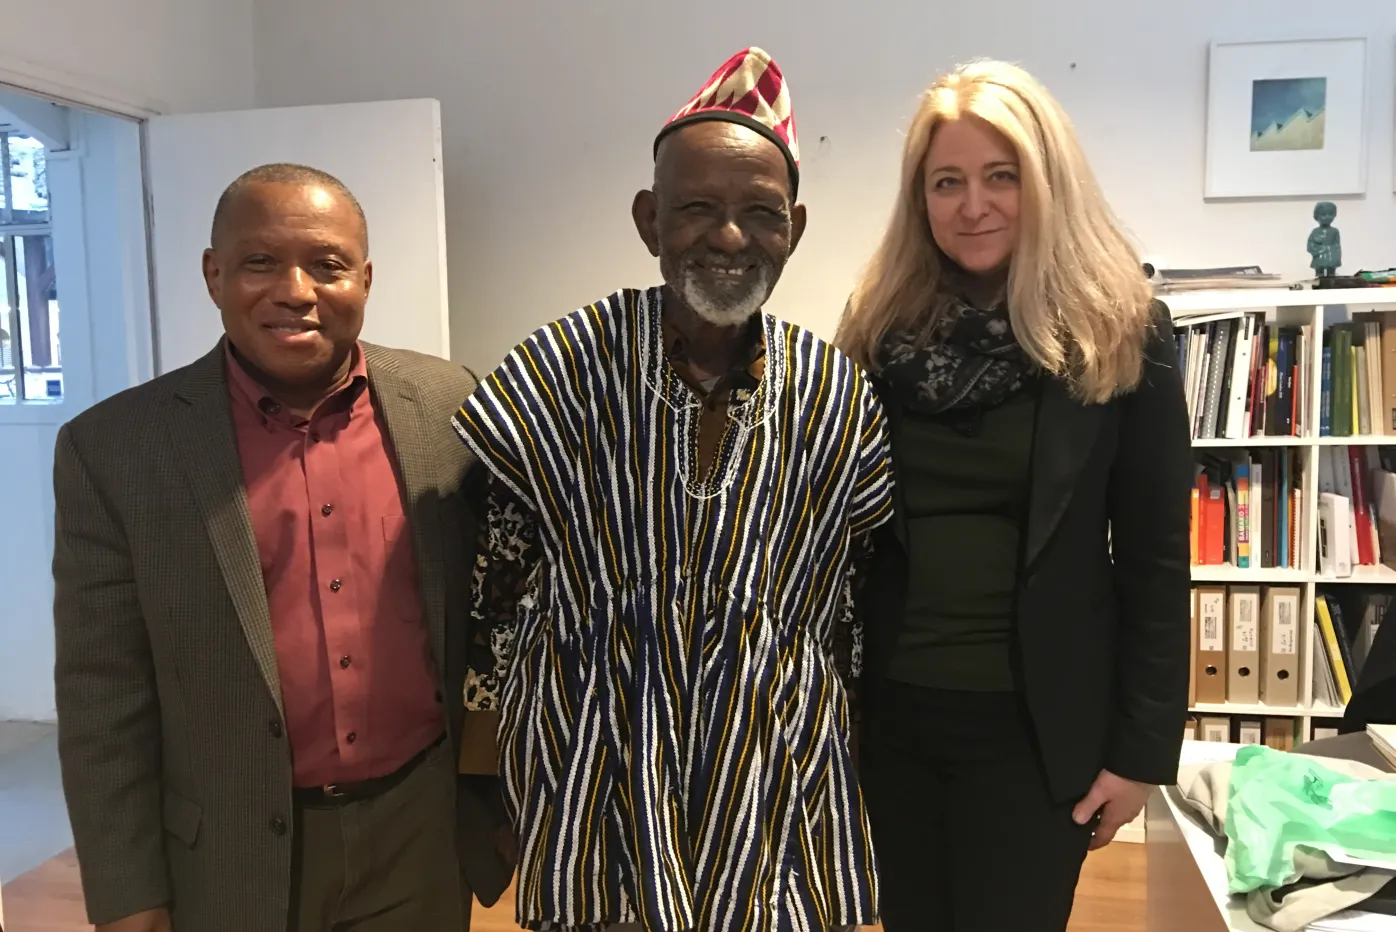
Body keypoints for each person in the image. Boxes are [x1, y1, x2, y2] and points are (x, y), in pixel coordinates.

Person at [452, 47, 894, 932]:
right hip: (595, 766)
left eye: (759, 214)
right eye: (697, 208)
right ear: (650, 220)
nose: (730, 238)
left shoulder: (837, 391)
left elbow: (853, 605)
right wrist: (482, 771)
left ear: (794, 229)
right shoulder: (558, 368)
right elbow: (493, 592)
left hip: (771, 773)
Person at [51, 163, 512, 932]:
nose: (295, 289)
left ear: (365, 278)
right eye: (260, 261)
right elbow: (103, 697)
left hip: (419, 832)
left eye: (327, 265)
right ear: (214, 272)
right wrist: (127, 892)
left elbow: (494, 621)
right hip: (227, 848)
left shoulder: (449, 407)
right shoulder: (117, 450)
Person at [835, 60, 1193, 931]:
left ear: (1047, 183)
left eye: (1003, 177)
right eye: (947, 182)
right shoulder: (877, 333)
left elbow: (1153, 561)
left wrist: (1139, 752)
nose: (974, 206)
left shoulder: (1122, 332)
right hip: (891, 725)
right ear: (919, 199)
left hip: (1038, 734)